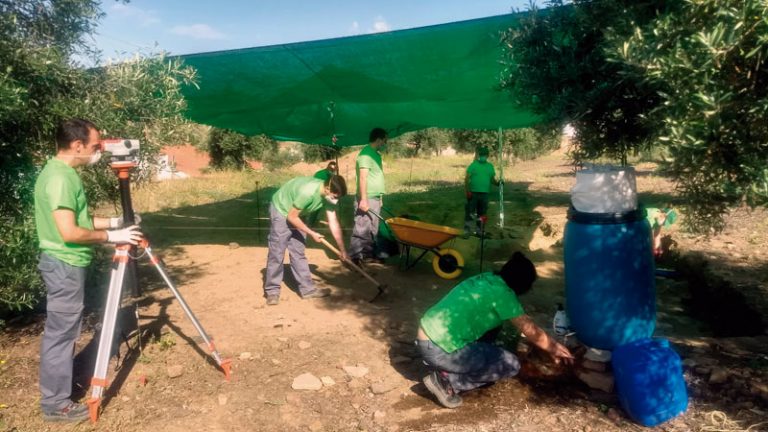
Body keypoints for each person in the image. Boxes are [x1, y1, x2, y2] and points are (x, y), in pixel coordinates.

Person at [34, 118, 143, 422]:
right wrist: (113, 237)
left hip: (64, 263)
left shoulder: (57, 172)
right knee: (61, 335)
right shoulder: (61, 179)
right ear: (77, 145)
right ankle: (56, 405)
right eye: (95, 146)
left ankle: (57, 393)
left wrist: (114, 223)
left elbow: (77, 219)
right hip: (64, 263)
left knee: (63, 332)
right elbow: (69, 232)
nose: (98, 152)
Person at [416, 252, 574, 408]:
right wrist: (554, 348)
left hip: (426, 336)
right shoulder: (504, 295)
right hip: (440, 349)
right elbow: (529, 329)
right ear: (522, 284)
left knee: (495, 326)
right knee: (511, 364)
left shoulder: (487, 278)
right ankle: (448, 382)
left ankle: (447, 366)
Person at [264, 174, 348, 306]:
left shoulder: (329, 196)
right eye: (335, 197)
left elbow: (333, 222)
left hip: (298, 212)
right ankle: (272, 291)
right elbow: (292, 217)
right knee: (277, 251)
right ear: (327, 189)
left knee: (298, 251)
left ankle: (307, 290)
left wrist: (342, 249)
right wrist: (312, 233)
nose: (336, 200)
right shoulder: (308, 192)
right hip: (281, 208)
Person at [349, 127, 387, 265]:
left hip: (375, 197)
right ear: (378, 139)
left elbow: (377, 176)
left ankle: (368, 253)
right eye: (384, 139)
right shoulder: (366, 154)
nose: (385, 142)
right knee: (362, 226)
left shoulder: (376, 154)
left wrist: (380, 198)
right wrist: (363, 200)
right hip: (366, 197)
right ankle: (355, 256)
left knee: (373, 228)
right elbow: (363, 178)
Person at [464, 146, 502, 237]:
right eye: (481, 155)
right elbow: (466, 179)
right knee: (470, 212)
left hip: (484, 194)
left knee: (482, 213)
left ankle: (479, 231)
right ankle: (467, 231)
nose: (483, 156)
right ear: (478, 155)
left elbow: (492, 180)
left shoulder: (490, 167)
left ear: (487, 156)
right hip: (473, 193)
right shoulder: (473, 165)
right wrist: (467, 191)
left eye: (484, 155)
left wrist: (499, 184)